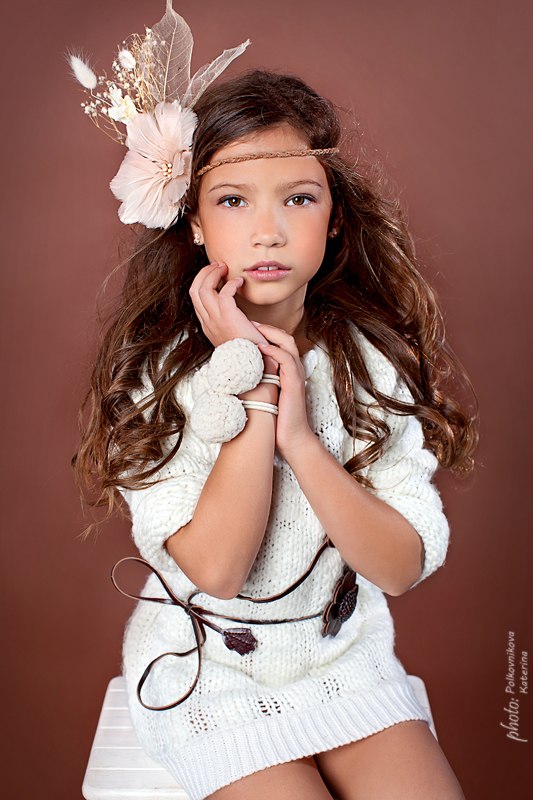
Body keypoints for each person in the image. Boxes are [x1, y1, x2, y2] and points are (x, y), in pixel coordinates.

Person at [71, 4, 478, 799]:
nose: (267, 231)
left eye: (297, 199)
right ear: (193, 221)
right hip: (206, 673)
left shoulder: (366, 363)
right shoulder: (158, 373)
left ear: (334, 221)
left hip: (339, 661)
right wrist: (255, 385)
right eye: (233, 201)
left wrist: (301, 440)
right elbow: (218, 570)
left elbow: (398, 569)